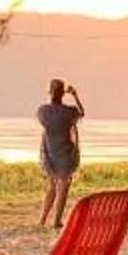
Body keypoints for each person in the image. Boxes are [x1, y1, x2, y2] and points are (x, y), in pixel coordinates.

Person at [34, 79, 85, 230]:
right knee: (63, 186)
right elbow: (81, 113)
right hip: (65, 154)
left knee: (51, 186)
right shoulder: (69, 112)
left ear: (50, 92)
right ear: (63, 93)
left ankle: (42, 220)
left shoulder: (43, 111)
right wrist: (75, 95)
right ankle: (56, 220)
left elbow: (44, 123)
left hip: (50, 153)